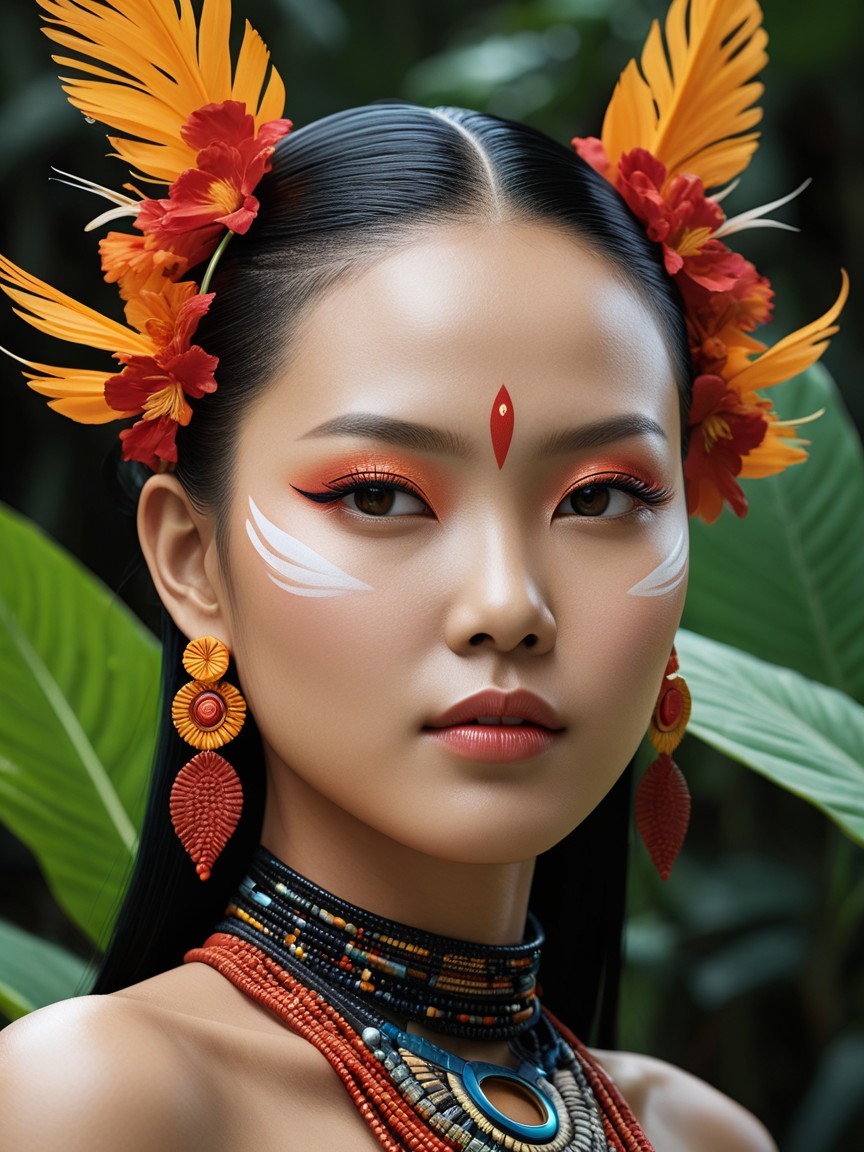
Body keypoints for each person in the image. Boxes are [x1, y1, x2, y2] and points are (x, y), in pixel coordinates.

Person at [0, 0, 845, 1148]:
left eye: (600, 499)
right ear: (191, 561)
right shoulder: (102, 1101)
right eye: (381, 496)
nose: (507, 605)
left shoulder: (706, 1135)